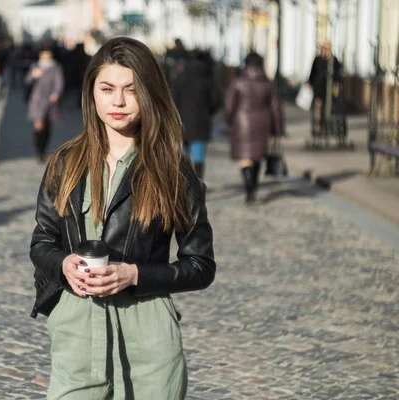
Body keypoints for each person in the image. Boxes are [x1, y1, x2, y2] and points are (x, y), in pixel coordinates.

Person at [30, 37, 216, 399]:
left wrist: (134, 274)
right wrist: (63, 264)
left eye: (131, 90)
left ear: (149, 94)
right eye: (107, 88)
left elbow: (201, 265)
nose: (118, 101)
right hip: (77, 333)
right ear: (91, 93)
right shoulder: (65, 164)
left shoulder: (173, 171)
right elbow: (41, 242)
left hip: (148, 338)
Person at [225, 52, 283, 204]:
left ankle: (248, 187)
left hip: (242, 123)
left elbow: (229, 105)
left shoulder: (237, 82)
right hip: (263, 124)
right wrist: (278, 128)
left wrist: (230, 120)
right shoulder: (269, 83)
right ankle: (253, 188)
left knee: (246, 158)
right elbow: (275, 107)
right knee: (257, 157)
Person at [172, 50, 221, 180]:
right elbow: (216, 101)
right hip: (201, 121)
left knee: (183, 153)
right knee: (198, 151)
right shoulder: (208, 79)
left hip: (182, 120)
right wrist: (208, 111)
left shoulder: (181, 77)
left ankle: (184, 182)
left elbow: (173, 99)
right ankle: (198, 181)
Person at [24, 45, 64, 162]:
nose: (46, 56)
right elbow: (26, 81)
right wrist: (33, 75)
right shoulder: (35, 66)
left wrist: (56, 93)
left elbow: (59, 82)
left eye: (48, 54)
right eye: (44, 54)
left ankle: (44, 147)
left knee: (47, 126)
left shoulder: (56, 67)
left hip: (50, 100)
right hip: (36, 100)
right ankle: (39, 150)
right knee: (38, 125)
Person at [307, 41, 343, 138]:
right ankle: (317, 128)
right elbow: (313, 72)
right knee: (318, 110)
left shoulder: (334, 60)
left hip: (329, 91)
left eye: (328, 49)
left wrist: (337, 85)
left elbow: (338, 74)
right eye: (324, 49)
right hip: (319, 89)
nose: (326, 51)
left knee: (327, 110)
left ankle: (326, 127)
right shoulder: (318, 59)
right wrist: (310, 83)